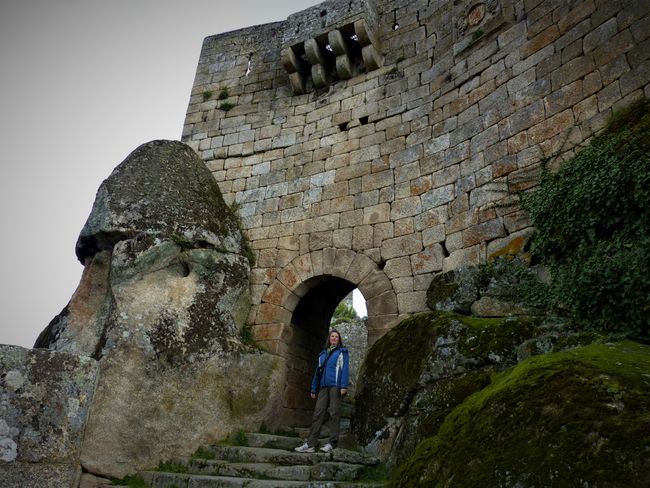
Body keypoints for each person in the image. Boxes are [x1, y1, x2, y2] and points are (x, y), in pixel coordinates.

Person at [295, 329, 349, 453]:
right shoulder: (323, 354)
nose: (334, 338)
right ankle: (310, 444)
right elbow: (317, 373)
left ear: (339, 339)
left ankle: (332, 443)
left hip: (336, 386)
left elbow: (345, 369)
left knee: (334, 413)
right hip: (323, 387)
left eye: (336, 337)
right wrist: (314, 388)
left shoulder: (342, 352)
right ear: (329, 339)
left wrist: (343, 386)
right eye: (332, 336)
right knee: (318, 413)